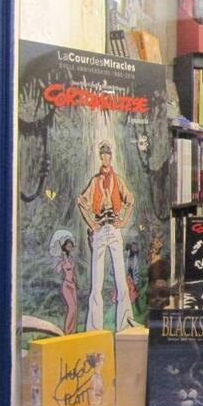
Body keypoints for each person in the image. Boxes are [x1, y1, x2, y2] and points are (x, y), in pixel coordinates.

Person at [77, 141, 135, 331]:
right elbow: (82, 201)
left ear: (111, 156)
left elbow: (130, 199)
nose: (105, 158)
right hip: (100, 229)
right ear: (100, 157)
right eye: (102, 155)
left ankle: (125, 324)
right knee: (96, 280)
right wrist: (91, 223)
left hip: (114, 228)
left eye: (107, 154)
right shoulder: (95, 181)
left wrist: (124, 221)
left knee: (120, 277)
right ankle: (94, 328)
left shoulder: (117, 179)